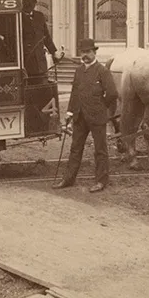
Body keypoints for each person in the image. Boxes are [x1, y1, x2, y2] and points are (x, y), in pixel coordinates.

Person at [53, 39, 117, 191]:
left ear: (94, 52)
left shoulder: (102, 71)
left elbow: (112, 93)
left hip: (97, 117)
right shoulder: (79, 71)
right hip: (79, 117)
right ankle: (68, 179)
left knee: (100, 150)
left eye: (88, 52)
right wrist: (69, 112)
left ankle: (101, 181)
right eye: (83, 52)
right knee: (75, 148)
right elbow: (74, 93)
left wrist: (101, 107)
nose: (85, 55)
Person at [21, 0, 64, 82]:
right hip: (26, 63)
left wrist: (54, 52)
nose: (30, 5)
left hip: (40, 63)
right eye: (27, 2)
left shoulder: (39, 16)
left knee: (43, 87)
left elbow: (46, 36)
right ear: (23, 2)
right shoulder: (18, 17)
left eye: (33, 2)